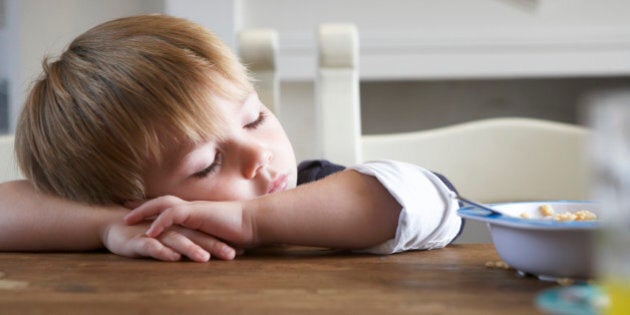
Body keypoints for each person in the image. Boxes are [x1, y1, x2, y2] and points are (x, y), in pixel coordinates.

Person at [0, 14, 462, 262]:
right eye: (206, 164)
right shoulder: (145, 228)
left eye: (254, 118)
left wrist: (250, 220)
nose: (259, 153)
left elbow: (434, 200)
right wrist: (107, 225)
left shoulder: (318, 187)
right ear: (134, 201)